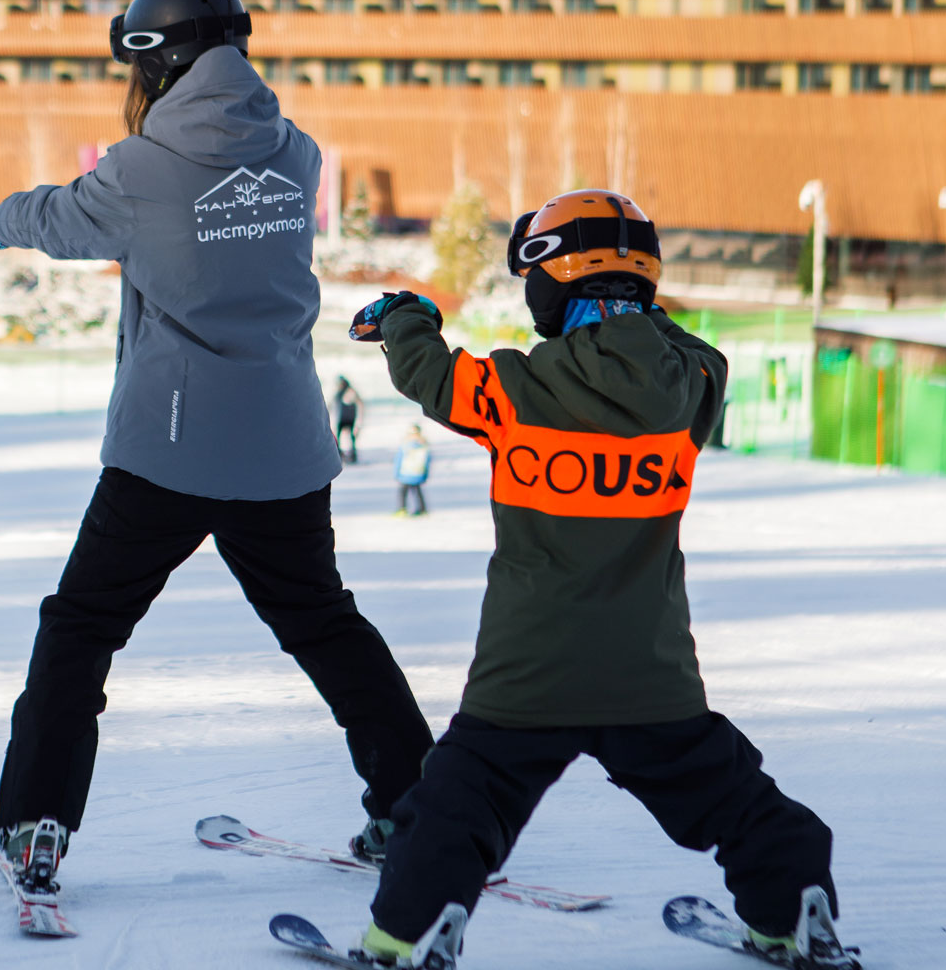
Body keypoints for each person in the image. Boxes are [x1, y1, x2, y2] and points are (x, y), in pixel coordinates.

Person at [0, 0, 434, 893]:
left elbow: (60, 220)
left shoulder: (139, 169)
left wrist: (2, 215)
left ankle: (35, 825)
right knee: (324, 624)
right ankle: (418, 810)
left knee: (81, 629)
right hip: (283, 443)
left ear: (156, 61)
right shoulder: (294, 151)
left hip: (171, 451)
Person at [341, 190, 858, 970]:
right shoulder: (693, 387)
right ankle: (794, 907)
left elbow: (431, 375)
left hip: (529, 672)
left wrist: (405, 317)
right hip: (649, 674)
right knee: (731, 797)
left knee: (459, 805)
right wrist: (636, 313)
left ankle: (407, 933)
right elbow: (690, 352)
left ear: (554, 283)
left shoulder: (512, 390)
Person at [392, 424, 430, 516]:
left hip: (405, 474)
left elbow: (398, 461)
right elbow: (427, 462)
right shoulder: (424, 447)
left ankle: (402, 508)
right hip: (418, 473)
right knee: (417, 492)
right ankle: (422, 508)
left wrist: (396, 474)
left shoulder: (404, 446)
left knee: (403, 493)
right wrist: (425, 475)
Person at [330, 375, 363, 463]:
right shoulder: (339, 393)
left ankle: (350, 454)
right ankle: (342, 454)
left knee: (350, 438)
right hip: (343, 418)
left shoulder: (349, 392)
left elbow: (359, 403)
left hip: (347, 419)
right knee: (342, 437)